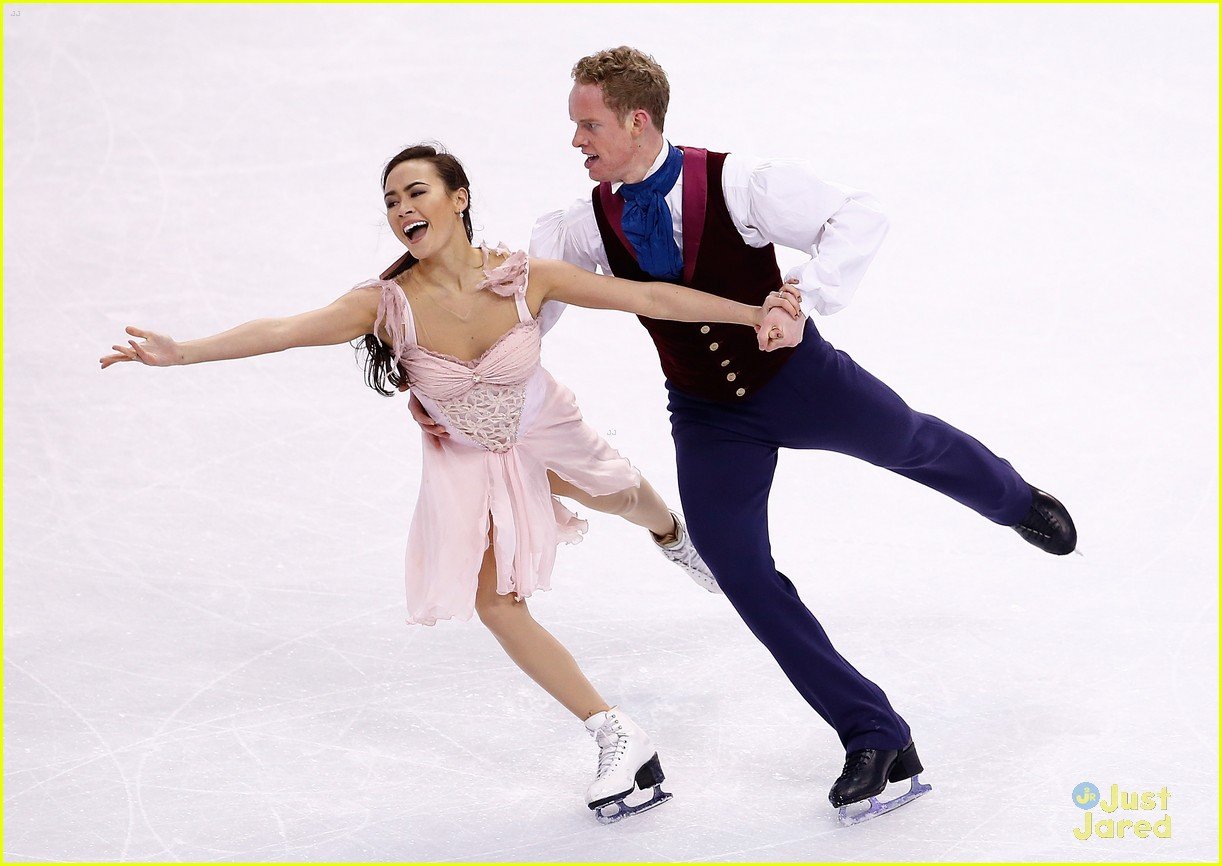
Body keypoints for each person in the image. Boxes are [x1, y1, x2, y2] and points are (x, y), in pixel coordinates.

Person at [407, 48, 1078, 825]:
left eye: (588, 125)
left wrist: (802, 293)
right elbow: (525, 319)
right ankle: (872, 732)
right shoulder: (578, 225)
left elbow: (857, 215)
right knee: (739, 569)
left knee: (912, 444)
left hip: (803, 382)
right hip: (707, 415)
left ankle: (1015, 499)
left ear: (637, 120)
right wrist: (460, 388)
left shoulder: (737, 182)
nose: (576, 141)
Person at [99, 143, 798, 824]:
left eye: (416, 192)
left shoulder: (525, 276)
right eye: (392, 200)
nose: (403, 207)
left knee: (613, 493)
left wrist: (752, 312)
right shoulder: (384, 303)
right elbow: (284, 329)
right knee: (496, 603)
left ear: (458, 198)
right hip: (467, 457)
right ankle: (617, 734)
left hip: (544, 425)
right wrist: (182, 353)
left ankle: (673, 534)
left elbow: (643, 294)